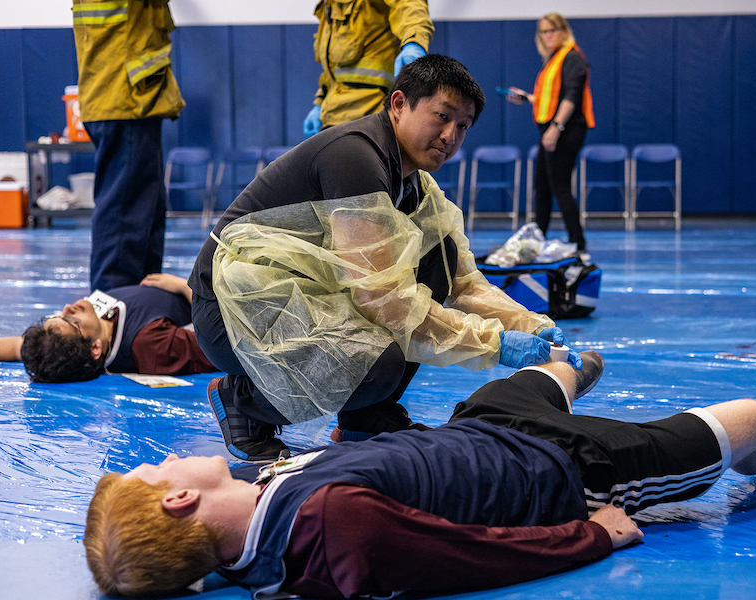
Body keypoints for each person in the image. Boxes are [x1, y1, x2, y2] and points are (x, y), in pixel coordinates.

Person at [83, 351, 756, 599]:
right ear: (179, 498)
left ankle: (566, 369)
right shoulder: (328, 531)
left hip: (482, 429)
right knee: (752, 418)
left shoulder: (249, 522)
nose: (167, 455)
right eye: (155, 468)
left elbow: (201, 562)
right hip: (569, 469)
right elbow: (464, 557)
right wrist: (588, 536)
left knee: (548, 367)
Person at [189, 55, 581, 462]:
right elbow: (383, 300)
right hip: (231, 313)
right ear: (398, 104)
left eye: (463, 126)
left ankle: (366, 417)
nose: (450, 136)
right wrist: (495, 344)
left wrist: (532, 326)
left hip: (294, 296)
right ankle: (243, 402)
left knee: (438, 255)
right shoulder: (355, 158)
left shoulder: (414, 182)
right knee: (376, 363)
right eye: (442, 116)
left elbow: (463, 281)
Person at [71, 0, 185, 293]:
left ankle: (139, 303)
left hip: (126, 97)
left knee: (144, 213)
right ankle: (112, 307)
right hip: (125, 98)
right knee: (125, 216)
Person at [0, 274, 215, 383]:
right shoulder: (151, 346)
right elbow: (220, 342)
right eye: (70, 321)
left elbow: (18, 346)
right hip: (215, 299)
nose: (67, 308)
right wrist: (187, 288)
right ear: (95, 348)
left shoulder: (89, 330)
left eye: (57, 316)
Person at [507, 13, 594, 258]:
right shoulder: (553, 59)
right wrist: (528, 98)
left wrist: (556, 127)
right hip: (553, 128)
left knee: (560, 186)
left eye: (552, 30)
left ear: (564, 31)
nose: (547, 36)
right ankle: (537, 242)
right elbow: (551, 97)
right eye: (543, 32)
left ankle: (578, 244)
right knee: (542, 187)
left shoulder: (572, 57)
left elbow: (571, 96)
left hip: (566, 129)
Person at [303, 0, 434, 134]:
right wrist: (320, 103)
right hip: (334, 119)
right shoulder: (330, 4)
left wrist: (414, 42)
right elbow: (334, 69)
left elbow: (409, 5)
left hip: (374, 117)